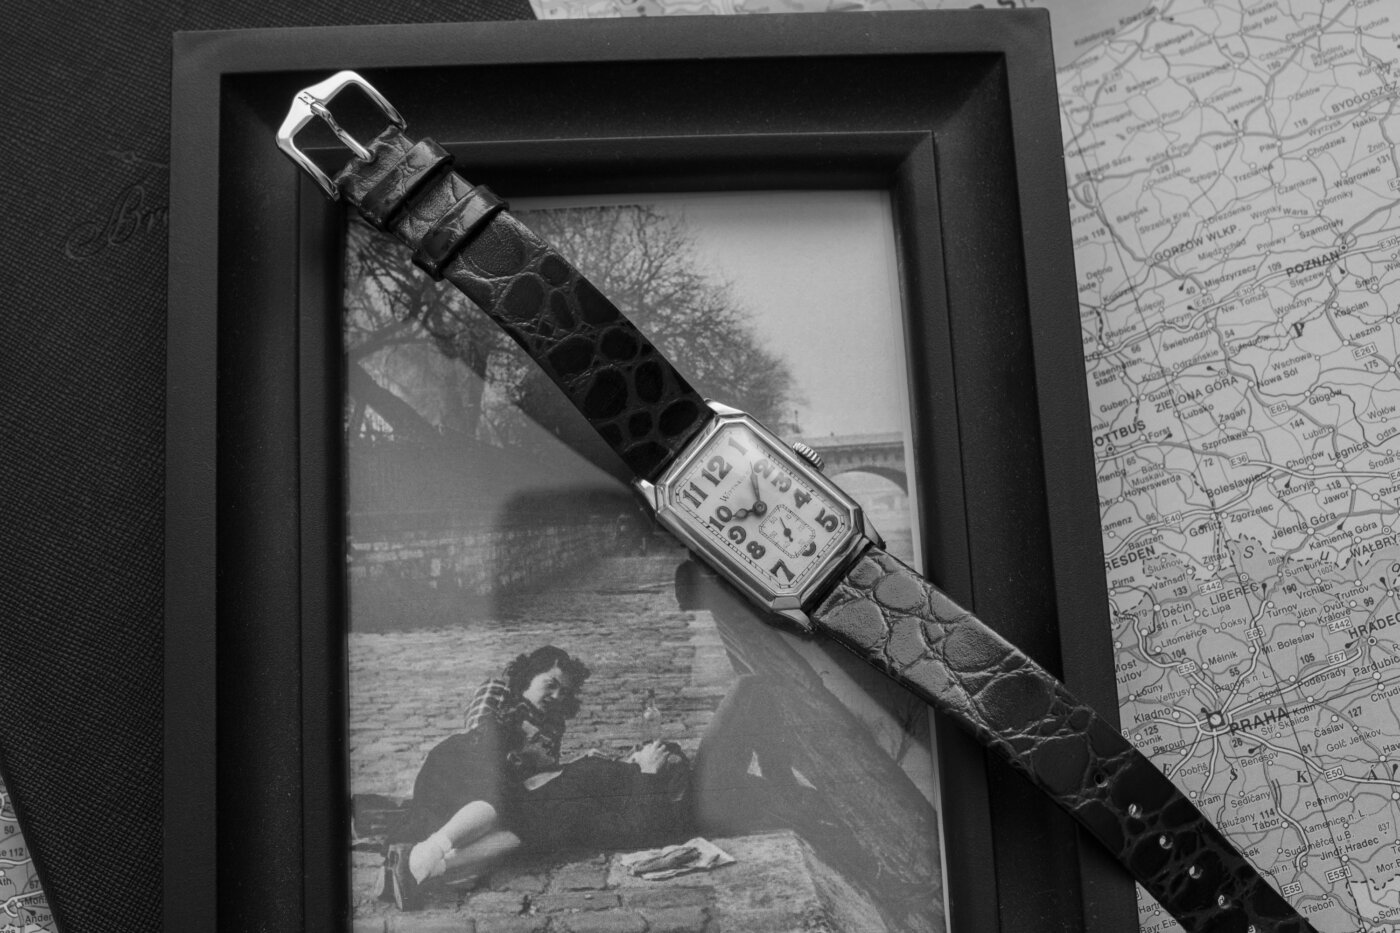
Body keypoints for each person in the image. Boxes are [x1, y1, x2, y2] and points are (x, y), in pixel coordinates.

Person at [384, 645, 590, 910]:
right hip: (457, 768)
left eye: (564, 692)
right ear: (529, 676)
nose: (556, 695)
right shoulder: (499, 690)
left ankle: (421, 863)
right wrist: (528, 749)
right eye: (550, 684)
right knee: (500, 790)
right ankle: (423, 858)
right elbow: (482, 736)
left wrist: (570, 766)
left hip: (497, 790)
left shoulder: (554, 724)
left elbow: (540, 774)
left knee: (527, 825)